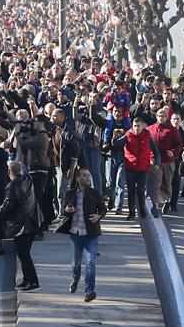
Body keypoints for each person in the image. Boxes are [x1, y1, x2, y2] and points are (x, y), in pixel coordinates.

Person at [57, 168, 106, 302]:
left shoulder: (94, 193)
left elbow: (103, 208)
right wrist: (67, 210)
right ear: (78, 178)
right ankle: (75, 278)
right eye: (84, 176)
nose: (87, 178)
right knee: (76, 264)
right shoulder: (70, 193)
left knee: (90, 263)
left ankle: (89, 291)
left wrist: (98, 216)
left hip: (91, 234)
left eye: (88, 175)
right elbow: (64, 211)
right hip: (75, 234)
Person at [0, 160, 41, 291]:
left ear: (9, 172)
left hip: (22, 224)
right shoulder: (28, 180)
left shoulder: (13, 185)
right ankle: (27, 279)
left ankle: (33, 281)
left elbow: (8, 204)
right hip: (33, 221)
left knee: (23, 253)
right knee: (23, 253)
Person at [113, 114, 161, 219]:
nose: (136, 128)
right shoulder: (128, 135)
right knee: (131, 191)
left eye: (138, 126)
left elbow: (155, 151)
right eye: (135, 126)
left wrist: (157, 163)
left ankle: (142, 211)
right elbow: (116, 145)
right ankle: (131, 212)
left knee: (140, 190)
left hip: (143, 168)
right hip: (130, 167)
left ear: (142, 126)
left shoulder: (147, 136)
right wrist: (115, 138)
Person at [148, 107, 183, 215]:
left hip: (167, 161)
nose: (161, 118)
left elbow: (178, 144)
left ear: (166, 117)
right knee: (154, 184)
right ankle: (154, 205)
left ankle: (167, 201)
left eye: (163, 116)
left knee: (167, 183)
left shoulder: (172, 130)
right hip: (154, 161)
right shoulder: (150, 129)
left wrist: (173, 152)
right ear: (156, 117)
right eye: (159, 116)